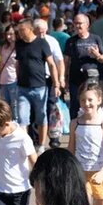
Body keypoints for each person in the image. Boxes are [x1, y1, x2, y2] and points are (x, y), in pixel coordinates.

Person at [68, 82, 103, 205]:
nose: (86, 103)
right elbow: (71, 149)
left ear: (99, 100)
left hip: (100, 173)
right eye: (83, 100)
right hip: (81, 172)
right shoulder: (75, 123)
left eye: (90, 100)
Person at [14, 20, 61, 150]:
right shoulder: (19, 44)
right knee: (22, 119)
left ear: (30, 29)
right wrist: (17, 79)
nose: (19, 33)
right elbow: (18, 63)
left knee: (41, 117)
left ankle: (41, 145)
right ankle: (24, 147)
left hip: (39, 87)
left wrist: (56, 84)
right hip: (22, 88)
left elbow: (51, 64)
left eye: (21, 30)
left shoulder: (41, 43)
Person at [64, 14, 103, 120]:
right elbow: (66, 61)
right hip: (75, 78)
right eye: (75, 23)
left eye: (80, 23)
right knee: (75, 104)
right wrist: (64, 78)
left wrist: (96, 54)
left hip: (91, 77)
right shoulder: (71, 41)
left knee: (92, 102)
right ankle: (74, 128)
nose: (77, 26)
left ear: (87, 25)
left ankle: (93, 124)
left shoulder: (95, 38)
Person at [0, 26, 20, 107]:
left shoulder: (20, 47)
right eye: (7, 34)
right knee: (4, 106)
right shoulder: (3, 47)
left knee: (15, 105)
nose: (8, 37)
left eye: (11, 34)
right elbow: (1, 64)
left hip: (14, 80)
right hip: (3, 80)